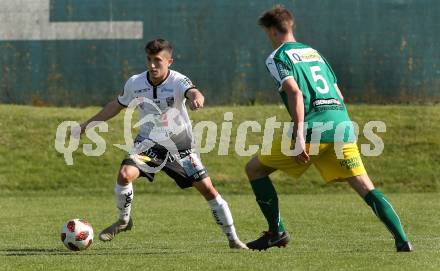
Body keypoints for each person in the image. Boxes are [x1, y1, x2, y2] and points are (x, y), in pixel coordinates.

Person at [245, 5, 413, 252]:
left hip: (313, 128)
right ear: (290, 26)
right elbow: (340, 96)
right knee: (365, 186)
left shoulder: (278, 57)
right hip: (341, 126)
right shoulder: (315, 53)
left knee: (254, 169)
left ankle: (276, 232)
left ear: (271, 31)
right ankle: (402, 240)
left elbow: (295, 92)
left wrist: (300, 135)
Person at [78, 38, 247, 249]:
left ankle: (233, 239)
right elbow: (116, 105)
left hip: (181, 147)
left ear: (169, 61)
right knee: (124, 175)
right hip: (148, 145)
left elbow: (193, 91)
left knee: (208, 190)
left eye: (157, 60)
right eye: (149, 59)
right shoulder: (135, 83)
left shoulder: (178, 81)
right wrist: (86, 126)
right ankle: (123, 221)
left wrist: (197, 98)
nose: (152, 65)